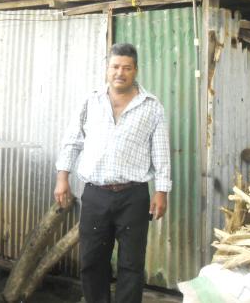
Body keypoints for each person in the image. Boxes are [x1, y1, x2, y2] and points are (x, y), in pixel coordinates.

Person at [54, 43, 171, 303]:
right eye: (115, 67)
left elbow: (161, 153)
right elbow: (72, 141)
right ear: (107, 69)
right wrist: (62, 178)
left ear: (135, 70)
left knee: (132, 264)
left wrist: (161, 191)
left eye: (126, 68)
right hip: (96, 195)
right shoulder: (90, 101)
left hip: (133, 197)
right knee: (92, 261)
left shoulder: (151, 106)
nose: (120, 73)